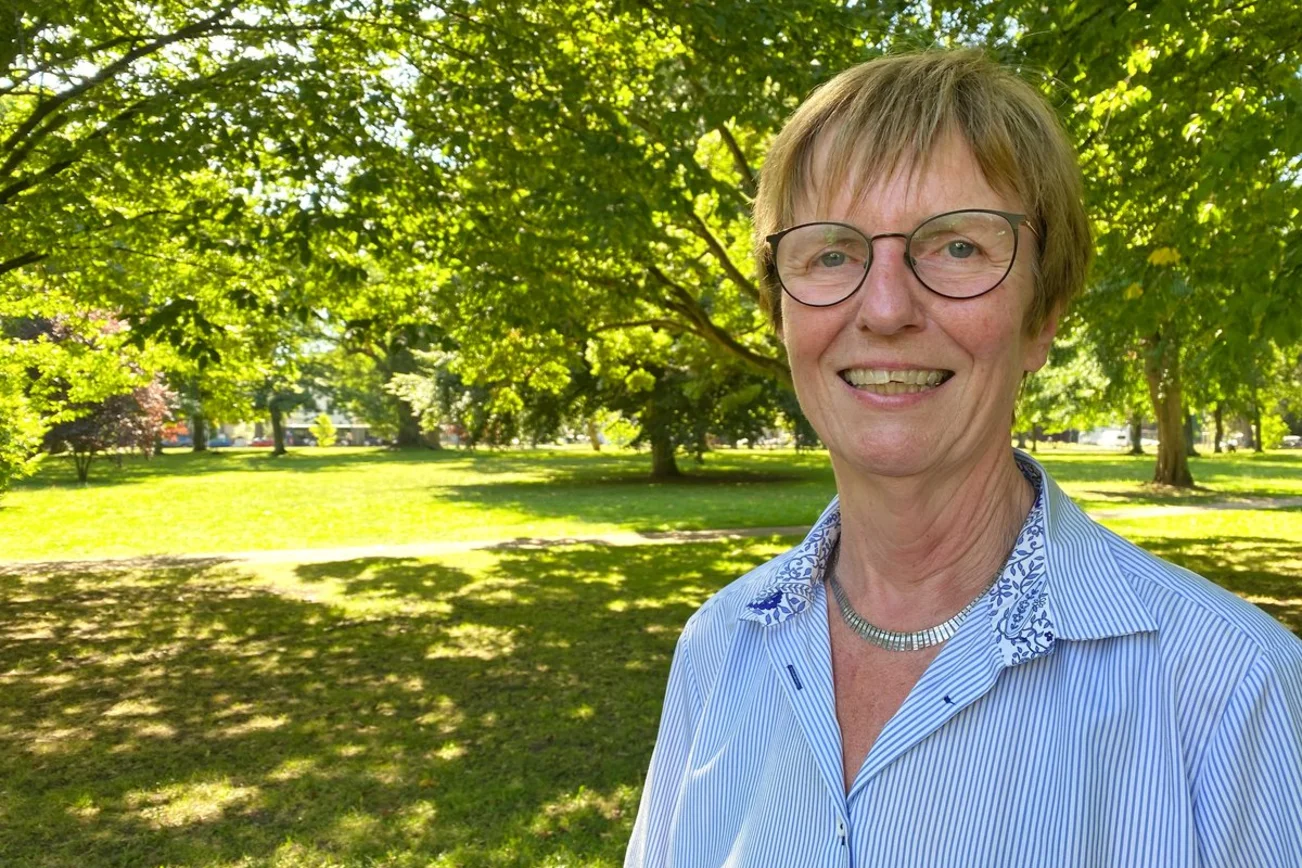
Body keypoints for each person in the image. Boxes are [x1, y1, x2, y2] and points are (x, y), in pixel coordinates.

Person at [625, 50, 1302, 866]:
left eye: (955, 248)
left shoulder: (1233, 691)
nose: (884, 308)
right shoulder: (718, 648)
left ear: (1042, 314)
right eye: (832, 253)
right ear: (782, 313)